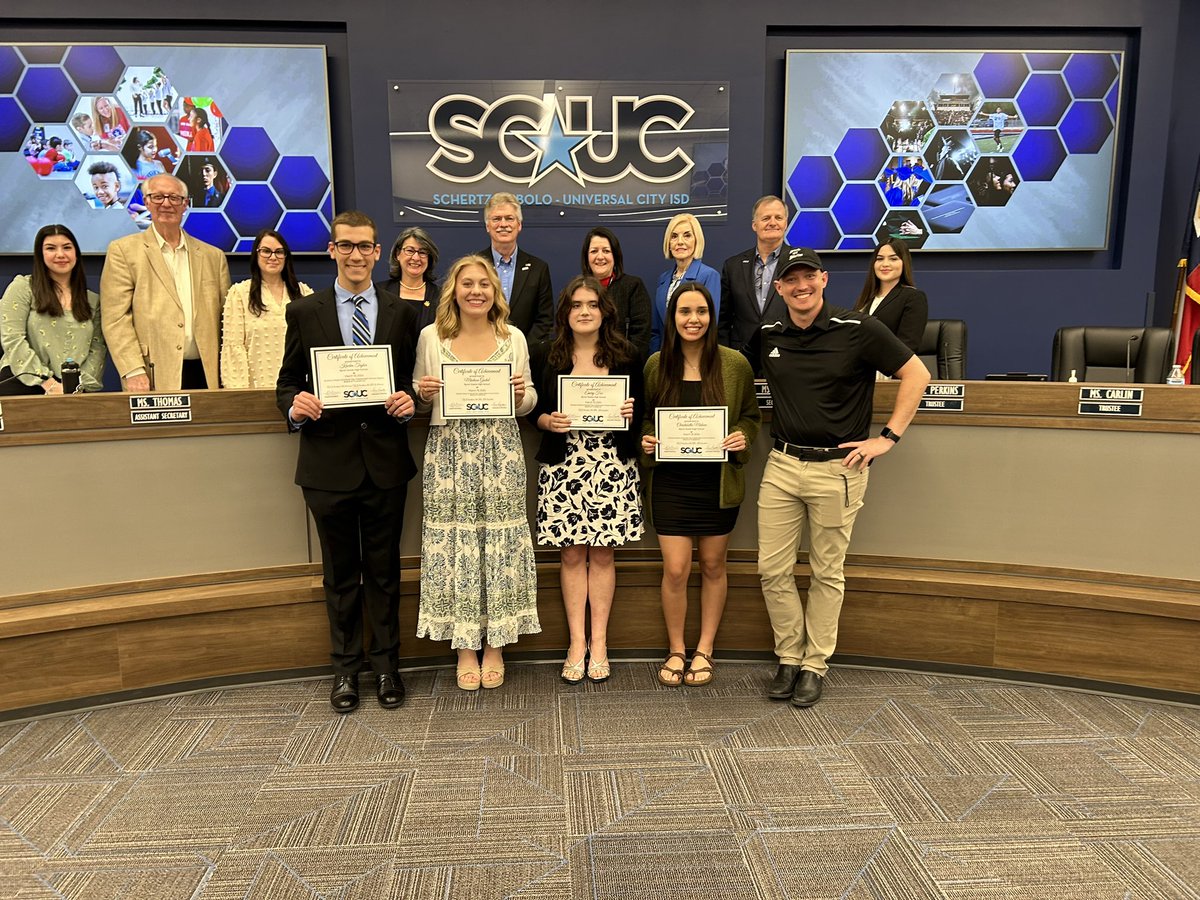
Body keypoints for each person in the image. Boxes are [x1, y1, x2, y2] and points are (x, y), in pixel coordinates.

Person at [747, 247, 930, 708]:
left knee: (826, 572)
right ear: (779, 287)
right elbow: (731, 373)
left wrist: (887, 438)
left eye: (809, 276)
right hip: (782, 466)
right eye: (791, 279)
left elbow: (917, 374)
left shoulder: (859, 328)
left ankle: (814, 665)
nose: (801, 286)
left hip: (839, 469)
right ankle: (789, 656)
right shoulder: (768, 333)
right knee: (772, 569)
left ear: (824, 280)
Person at [276, 210, 419, 714]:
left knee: (383, 572)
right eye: (346, 245)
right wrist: (294, 406)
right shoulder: (303, 311)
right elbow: (287, 382)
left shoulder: (403, 313)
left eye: (364, 246)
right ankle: (345, 670)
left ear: (378, 253)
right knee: (339, 575)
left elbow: (410, 381)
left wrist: (409, 402)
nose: (355, 255)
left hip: (384, 463)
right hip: (327, 465)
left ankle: (386, 667)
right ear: (332, 250)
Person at [413, 256, 540, 691]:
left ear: (495, 292)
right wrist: (423, 392)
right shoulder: (432, 337)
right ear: (454, 290)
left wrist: (521, 396)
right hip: (449, 454)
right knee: (457, 543)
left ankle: (496, 645)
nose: (476, 291)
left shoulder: (513, 337)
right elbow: (419, 396)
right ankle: (465, 647)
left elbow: (529, 400)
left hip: (500, 451)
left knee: (499, 542)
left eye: (484, 284)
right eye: (467, 284)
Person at [640, 282, 760, 688]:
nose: (694, 320)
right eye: (684, 312)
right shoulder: (656, 364)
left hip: (717, 484)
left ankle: (705, 649)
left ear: (712, 316)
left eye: (701, 312)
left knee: (712, 565)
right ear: (671, 318)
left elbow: (751, 417)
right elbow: (645, 419)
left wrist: (742, 437)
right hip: (670, 483)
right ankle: (676, 648)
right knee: (675, 570)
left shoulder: (735, 364)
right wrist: (647, 440)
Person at [534, 276, 644, 684]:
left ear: (605, 311)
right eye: (576, 304)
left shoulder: (627, 356)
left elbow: (643, 411)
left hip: (610, 465)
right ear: (565, 312)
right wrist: (547, 421)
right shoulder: (548, 354)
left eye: (592, 305)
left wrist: (632, 413)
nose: (584, 311)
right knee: (570, 556)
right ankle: (575, 643)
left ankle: (599, 643)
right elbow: (533, 411)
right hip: (565, 465)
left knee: (602, 556)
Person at [101, 173, 231, 391]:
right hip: (151, 375)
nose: (166, 204)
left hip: (207, 375)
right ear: (146, 202)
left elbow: (226, 319)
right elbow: (116, 318)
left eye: (174, 198)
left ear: (185, 204)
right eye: (158, 197)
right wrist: (132, 370)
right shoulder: (123, 251)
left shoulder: (213, 256)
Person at [0, 224, 105, 395]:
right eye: (51, 248)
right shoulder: (23, 288)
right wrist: (47, 383)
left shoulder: (92, 301)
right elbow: (12, 338)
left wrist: (76, 387)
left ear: (76, 253)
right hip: (23, 383)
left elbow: (97, 349)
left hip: (74, 392)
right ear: (40, 254)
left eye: (67, 247)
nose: (60, 254)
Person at [221, 229, 313, 389]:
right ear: (256, 254)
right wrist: (239, 394)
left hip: (298, 393)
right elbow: (233, 348)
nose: (273, 257)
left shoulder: (304, 293)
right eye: (266, 251)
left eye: (279, 252)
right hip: (255, 391)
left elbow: (312, 346)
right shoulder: (240, 293)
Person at [476, 192, 553, 344]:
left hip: (526, 353)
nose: (503, 224)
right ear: (487, 226)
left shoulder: (538, 269)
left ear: (519, 225)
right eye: (496, 219)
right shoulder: (474, 266)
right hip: (481, 351)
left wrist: (522, 350)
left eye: (509, 218)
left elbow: (544, 320)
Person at [717, 195, 789, 358]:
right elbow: (723, 320)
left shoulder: (799, 264)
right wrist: (726, 357)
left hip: (787, 354)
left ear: (785, 223)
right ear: (754, 225)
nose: (772, 222)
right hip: (742, 356)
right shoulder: (733, 266)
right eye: (766, 218)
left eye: (778, 217)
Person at [650, 213, 720, 353]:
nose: (680, 242)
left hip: (696, 354)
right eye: (674, 236)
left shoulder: (708, 275)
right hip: (666, 355)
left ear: (697, 240)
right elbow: (656, 330)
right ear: (668, 243)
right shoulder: (663, 279)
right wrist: (656, 358)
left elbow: (710, 325)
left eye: (687, 235)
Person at [578, 226, 652, 357]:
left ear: (615, 256)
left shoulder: (633, 286)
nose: (600, 257)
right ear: (586, 257)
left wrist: (622, 364)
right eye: (594, 251)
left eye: (606, 251)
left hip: (623, 363)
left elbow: (641, 337)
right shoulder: (576, 290)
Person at [852, 238, 928, 354]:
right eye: (880, 259)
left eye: (893, 259)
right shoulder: (866, 298)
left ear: (904, 263)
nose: (885, 264)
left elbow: (907, 347)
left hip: (888, 364)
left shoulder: (913, 297)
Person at [380, 226, 440, 334]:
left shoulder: (442, 297)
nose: (416, 258)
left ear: (429, 258)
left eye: (422, 252)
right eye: (410, 250)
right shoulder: (380, 293)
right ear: (397, 254)